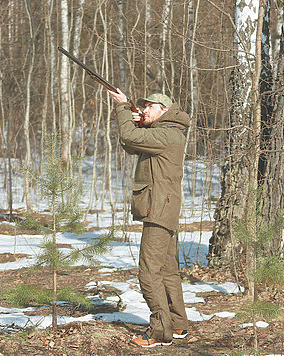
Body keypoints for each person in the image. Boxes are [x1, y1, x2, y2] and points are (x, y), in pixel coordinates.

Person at [108, 89, 190, 348]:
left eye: (150, 107)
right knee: (166, 270)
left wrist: (122, 108)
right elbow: (132, 143)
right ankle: (177, 325)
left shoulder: (167, 134)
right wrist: (136, 121)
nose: (144, 110)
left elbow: (129, 136)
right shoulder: (167, 133)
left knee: (148, 272)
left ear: (164, 110)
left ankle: (159, 332)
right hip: (162, 208)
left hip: (159, 210)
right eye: (142, 106)